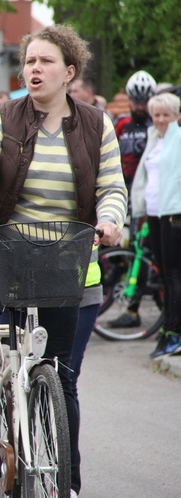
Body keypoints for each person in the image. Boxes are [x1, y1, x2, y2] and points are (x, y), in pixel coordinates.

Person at [0, 25, 126, 498]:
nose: (34, 69)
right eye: (30, 61)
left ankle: (68, 483)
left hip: (65, 248)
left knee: (59, 376)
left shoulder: (97, 125)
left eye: (45, 62)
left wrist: (110, 219)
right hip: (2, 240)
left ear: (69, 72)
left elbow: (112, 187)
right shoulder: (4, 118)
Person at [129, 92, 181, 357]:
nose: (160, 119)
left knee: (173, 275)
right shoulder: (153, 138)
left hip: (173, 215)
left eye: (165, 115)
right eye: (156, 115)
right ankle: (169, 329)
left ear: (176, 116)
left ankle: (174, 332)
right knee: (164, 274)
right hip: (154, 214)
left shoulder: (178, 139)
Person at [108, 70, 157, 329]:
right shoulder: (121, 124)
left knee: (141, 247)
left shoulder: (155, 124)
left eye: (144, 101)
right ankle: (115, 278)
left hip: (145, 195)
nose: (140, 107)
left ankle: (134, 308)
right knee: (116, 244)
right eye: (136, 101)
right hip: (122, 190)